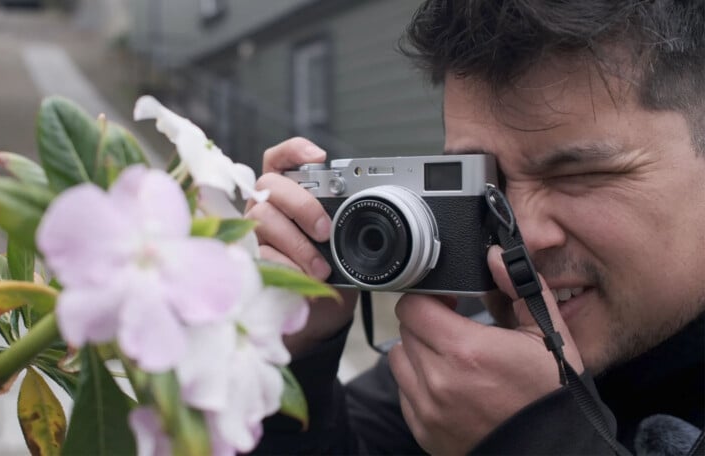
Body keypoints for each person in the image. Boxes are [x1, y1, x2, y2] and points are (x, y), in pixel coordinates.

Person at [245, 0, 705, 454]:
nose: (518, 235)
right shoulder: (471, 350)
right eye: (485, 185)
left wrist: (538, 442)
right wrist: (292, 362)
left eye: (578, 175)